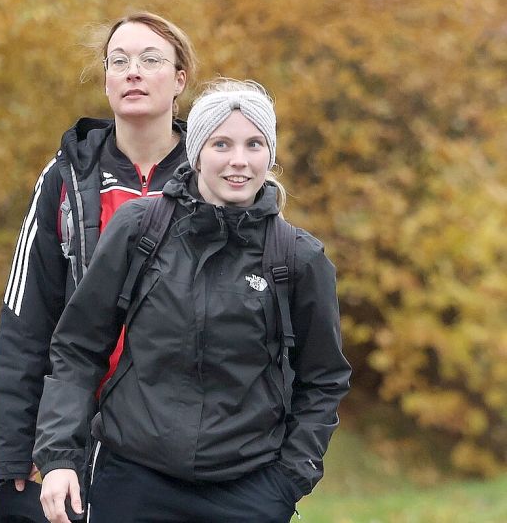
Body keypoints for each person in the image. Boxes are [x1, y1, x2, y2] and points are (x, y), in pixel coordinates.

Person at [34, 79, 352, 523]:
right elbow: (78, 347)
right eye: (221, 143)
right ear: (197, 152)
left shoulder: (298, 258)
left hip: (249, 491)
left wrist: (288, 482)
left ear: (270, 156)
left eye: (254, 144)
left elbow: (323, 381)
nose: (238, 160)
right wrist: (60, 457)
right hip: (133, 484)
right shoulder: (139, 229)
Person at [0, 11, 198, 500]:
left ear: (179, 79)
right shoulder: (66, 178)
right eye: (119, 60)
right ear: (105, 79)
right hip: (79, 436)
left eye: (151, 59)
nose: (133, 72)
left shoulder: (212, 180)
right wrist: (19, 450)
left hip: (185, 445)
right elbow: (26, 318)